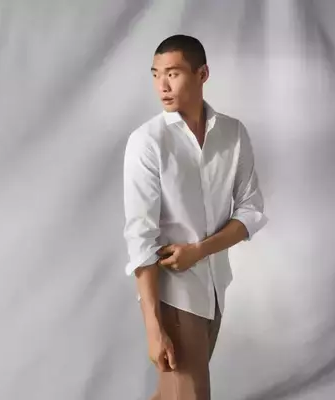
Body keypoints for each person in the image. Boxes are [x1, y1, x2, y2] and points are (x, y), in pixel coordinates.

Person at [122, 34, 267, 399]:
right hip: (174, 293)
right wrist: (153, 327)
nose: (162, 85)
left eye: (172, 73)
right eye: (156, 74)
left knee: (173, 395)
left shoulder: (233, 134)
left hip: (215, 287)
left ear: (202, 74)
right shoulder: (147, 142)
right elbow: (140, 238)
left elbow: (250, 210)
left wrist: (200, 251)